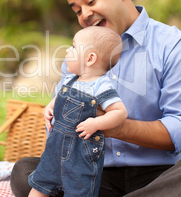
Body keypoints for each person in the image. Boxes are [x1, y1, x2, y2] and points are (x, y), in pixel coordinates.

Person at [10, 0, 181, 197]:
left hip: (163, 174)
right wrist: (56, 116)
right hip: (94, 172)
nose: (85, 14)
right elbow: (63, 122)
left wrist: (115, 126)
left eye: (91, 1)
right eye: (77, 10)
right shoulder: (78, 56)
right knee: (26, 171)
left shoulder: (176, 47)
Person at [28, 26, 128, 197]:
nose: (67, 50)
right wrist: (50, 107)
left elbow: (120, 112)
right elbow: (59, 97)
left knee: (78, 190)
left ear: (90, 58)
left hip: (80, 155)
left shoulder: (101, 86)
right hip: (55, 149)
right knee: (40, 182)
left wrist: (96, 123)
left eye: (73, 47)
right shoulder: (71, 79)